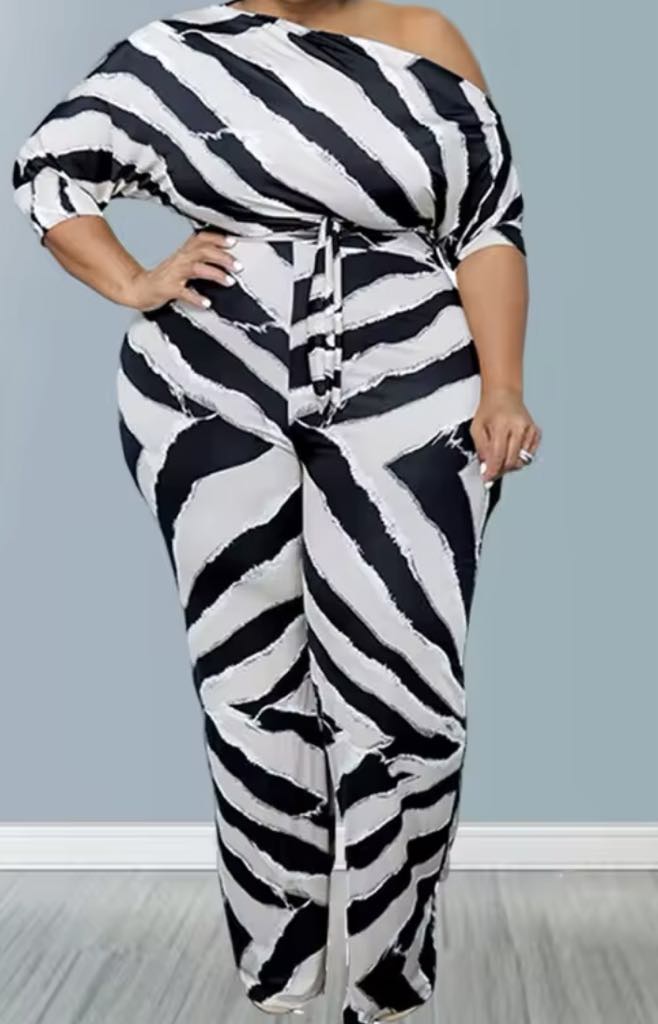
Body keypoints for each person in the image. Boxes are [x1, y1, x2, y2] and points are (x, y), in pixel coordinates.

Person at [11, 1, 541, 1021]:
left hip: (411, 385)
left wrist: (504, 386)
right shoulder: (176, 52)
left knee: (408, 692)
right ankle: (280, 982)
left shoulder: (424, 38)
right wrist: (134, 280)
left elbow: (489, 226)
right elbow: (49, 168)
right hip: (208, 395)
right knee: (249, 686)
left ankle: (387, 984)